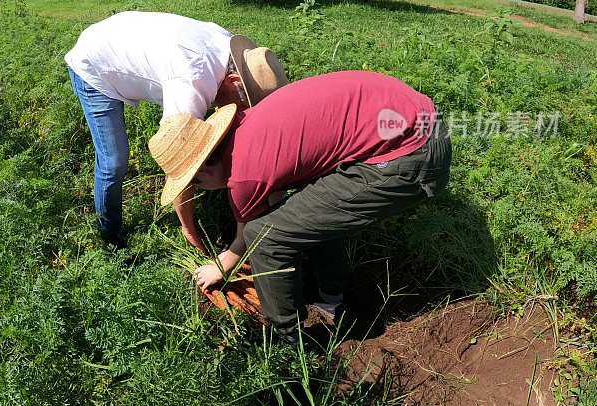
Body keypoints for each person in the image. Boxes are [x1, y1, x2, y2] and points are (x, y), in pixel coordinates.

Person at [148, 71, 452, 339]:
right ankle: (331, 300)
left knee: (265, 238)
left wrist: (221, 264)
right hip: (415, 116)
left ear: (201, 171)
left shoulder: (244, 174)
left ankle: (287, 340)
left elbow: (251, 237)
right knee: (308, 211)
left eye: (195, 183)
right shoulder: (249, 123)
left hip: (411, 154)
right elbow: (283, 202)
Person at [65, 11, 287, 249]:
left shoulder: (228, 51)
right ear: (234, 80)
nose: (240, 110)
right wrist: (189, 229)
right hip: (94, 64)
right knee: (114, 161)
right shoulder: (191, 83)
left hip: (121, 38)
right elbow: (180, 166)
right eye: (244, 102)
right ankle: (109, 236)